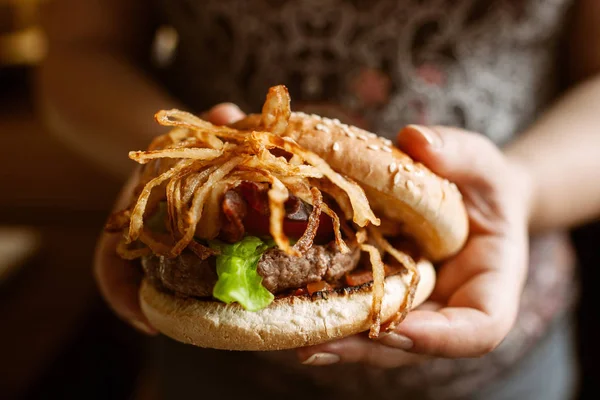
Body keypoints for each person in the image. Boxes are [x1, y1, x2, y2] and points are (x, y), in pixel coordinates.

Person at [37, 0, 600, 399]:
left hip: (504, 361)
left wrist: (520, 187)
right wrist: (171, 159)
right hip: (216, 373)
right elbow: (81, 49)